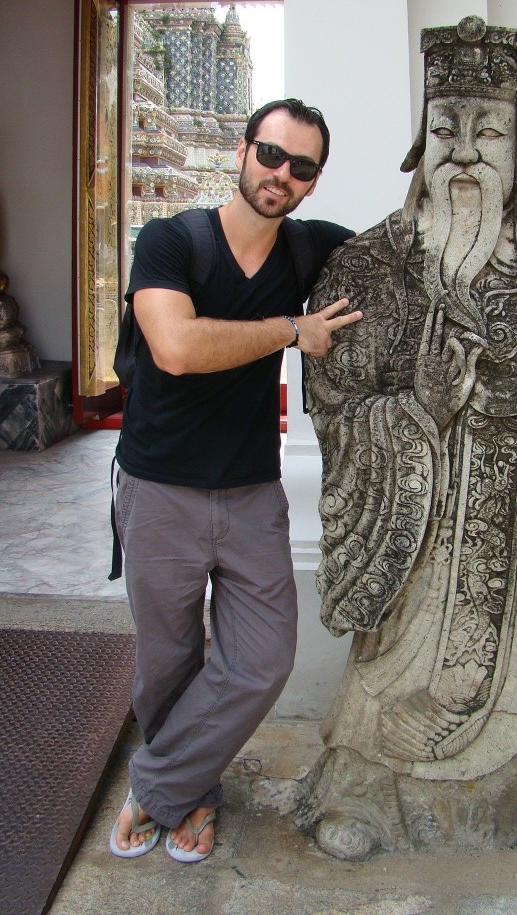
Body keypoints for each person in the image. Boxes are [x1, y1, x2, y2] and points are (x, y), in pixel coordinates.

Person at [297, 18, 517, 861]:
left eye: (487, 131)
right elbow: (334, 397)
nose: (464, 151)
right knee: (393, 663)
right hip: (417, 515)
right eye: (445, 128)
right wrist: (418, 408)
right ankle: (365, 787)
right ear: (422, 142)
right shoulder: (368, 266)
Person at [110, 98, 362, 862]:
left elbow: (403, 257)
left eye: (302, 166)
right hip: (159, 487)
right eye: (272, 154)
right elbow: (176, 347)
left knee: (261, 660)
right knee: (169, 663)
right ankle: (192, 794)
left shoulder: (310, 250)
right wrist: (291, 330)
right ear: (244, 151)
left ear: (314, 182)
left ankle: (155, 787)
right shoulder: (170, 240)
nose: (282, 174)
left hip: (251, 490)